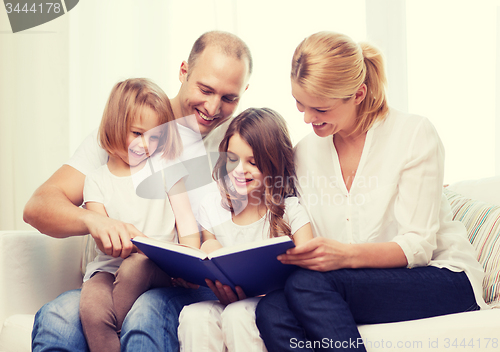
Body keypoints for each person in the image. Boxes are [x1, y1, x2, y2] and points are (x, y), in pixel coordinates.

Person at [254, 31, 487, 352]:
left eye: (321, 109)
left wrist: (344, 255)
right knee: (272, 309)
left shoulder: (413, 134)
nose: (308, 119)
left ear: (359, 94)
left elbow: (418, 246)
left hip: (442, 277)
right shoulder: (305, 153)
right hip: (350, 283)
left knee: (308, 286)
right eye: (299, 105)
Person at [25, 31, 252, 352]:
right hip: (112, 275)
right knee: (58, 317)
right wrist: (96, 222)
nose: (213, 107)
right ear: (183, 71)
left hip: (179, 283)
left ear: (244, 93)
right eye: (205, 89)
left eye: (230, 98)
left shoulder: (237, 144)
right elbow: (38, 206)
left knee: (144, 313)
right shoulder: (122, 131)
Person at [78, 78, 202, 352]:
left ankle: (120, 330)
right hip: (109, 268)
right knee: (91, 309)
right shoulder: (96, 180)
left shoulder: (167, 167)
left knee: (136, 266)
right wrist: (129, 238)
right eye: (137, 133)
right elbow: (102, 236)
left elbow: (187, 223)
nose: (145, 145)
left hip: (158, 266)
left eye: (155, 136)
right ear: (114, 125)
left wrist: (189, 264)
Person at [177, 107, 313, 352]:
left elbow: (308, 269)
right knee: (195, 315)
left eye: (253, 162)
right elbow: (208, 249)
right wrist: (209, 247)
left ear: (274, 164)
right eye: (232, 158)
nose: (240, 169)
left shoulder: (290, 210)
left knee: (239, 315)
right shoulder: (213, 208)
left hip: (273, 303)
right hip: (224, 299)